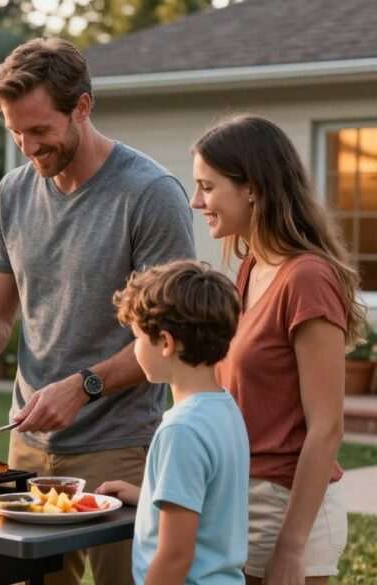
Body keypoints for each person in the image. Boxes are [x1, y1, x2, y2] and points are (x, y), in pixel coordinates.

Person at [0, 38, 195, 585]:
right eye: (16, 132)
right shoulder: (13, 194)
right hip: (27, 447)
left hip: (119, 447)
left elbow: (172, 334)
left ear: (82, 108)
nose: (27, 146)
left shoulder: (149, 194)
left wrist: (85, 385)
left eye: (40, 131)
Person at [191, 115, 356, 585]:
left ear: (252, 189)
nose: (196, 200)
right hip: (239, 500)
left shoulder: (306, 279)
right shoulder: (250, 269)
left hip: (284, 509)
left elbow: (327, 427)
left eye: (208, 186)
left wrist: (291, 547)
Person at [97, 260, 249, 585]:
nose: (135, 348)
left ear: (165, 343)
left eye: (137, 338)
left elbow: (175, 556)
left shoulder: (181, 429)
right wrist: (149, 496)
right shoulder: (225, 410)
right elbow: (208, 501)